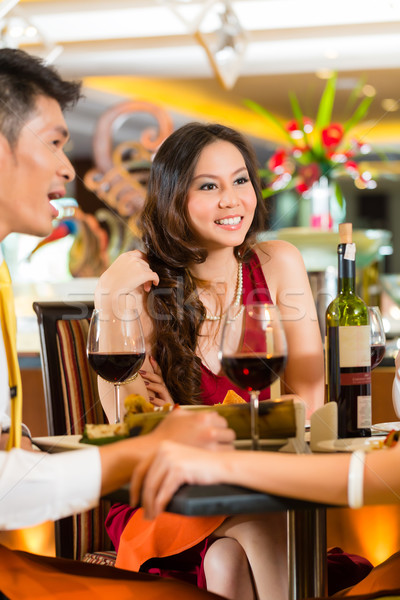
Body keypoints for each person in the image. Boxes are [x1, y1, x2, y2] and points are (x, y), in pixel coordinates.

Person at [0, 47, 234, 600]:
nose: (67, 165)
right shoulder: (147, 287)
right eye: (55, 141)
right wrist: (137, 451)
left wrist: (22, 445)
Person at [95, 122, 325, 599]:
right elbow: (131, 424)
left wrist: (186, 422)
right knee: (259, 529)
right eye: (208, 186)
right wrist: (108, 299)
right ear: (173, 197)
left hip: (258, 484)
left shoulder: (278, 263)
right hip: (170, 498)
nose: (232, 200)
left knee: (225, 558)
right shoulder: (140, 284)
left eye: (241, 181)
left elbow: (310, 403)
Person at [131, 351, 400, 599]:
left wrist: (200, 437)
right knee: (239, 543)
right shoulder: (161, 322)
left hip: (219, 492)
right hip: (184, 500)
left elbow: (364, 477)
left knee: (225, 557)